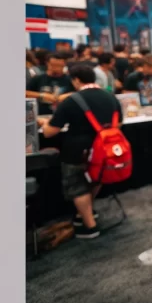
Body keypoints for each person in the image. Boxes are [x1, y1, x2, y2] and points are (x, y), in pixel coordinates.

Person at [41, 65, 123, 239]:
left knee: (77, 187)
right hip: (104, 151)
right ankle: (84, 214)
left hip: (77, 151)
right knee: (95, 180)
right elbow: (119, 124)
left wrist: (43, 123)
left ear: (76, 80)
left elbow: (50, 132)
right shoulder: (111, 97)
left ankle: (90, 227)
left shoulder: (72, 100)